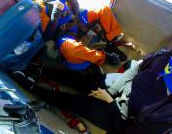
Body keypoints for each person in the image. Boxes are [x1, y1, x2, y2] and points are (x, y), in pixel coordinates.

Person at [12, 49, 172, 133]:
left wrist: (109, 102)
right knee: (84, 81)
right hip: (119, 87)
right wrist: (112, 89)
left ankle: (33, 88)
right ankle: (43, 70)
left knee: (73, 102)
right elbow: (137, 68)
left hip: (119, 116)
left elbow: (129, 132)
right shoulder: (166, 57)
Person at [37, 0, 127, 70]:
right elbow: (47, 35)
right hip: (64, 34)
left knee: (103, 9)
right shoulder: (41, 6)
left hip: (78, 21)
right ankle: (104, 56)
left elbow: (76, 10)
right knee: (71, 51)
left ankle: (111, 43)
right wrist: (55, 13)